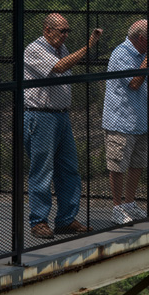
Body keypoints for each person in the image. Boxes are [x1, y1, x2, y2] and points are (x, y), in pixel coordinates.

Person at [24, 13, 102, 238]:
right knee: (43, 169)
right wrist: (88, 46)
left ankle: (66, 219)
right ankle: (38, 221)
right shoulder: (35, 49)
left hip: (61, 116)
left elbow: (63, 63)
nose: (66, 35)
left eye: (68, 31)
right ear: (47, 29)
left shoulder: (62, 49)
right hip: (41, 116)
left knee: (68, 168)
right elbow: (58, 68)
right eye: (62, 31)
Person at [102, 19, 149, 225]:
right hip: (121, 121)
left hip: (141, 120)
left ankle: (129, 204)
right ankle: (117, 208)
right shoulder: (120, 54)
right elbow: (134, 82)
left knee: (137, 164)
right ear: (142, 38)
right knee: (117, 165)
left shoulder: (144, 54)